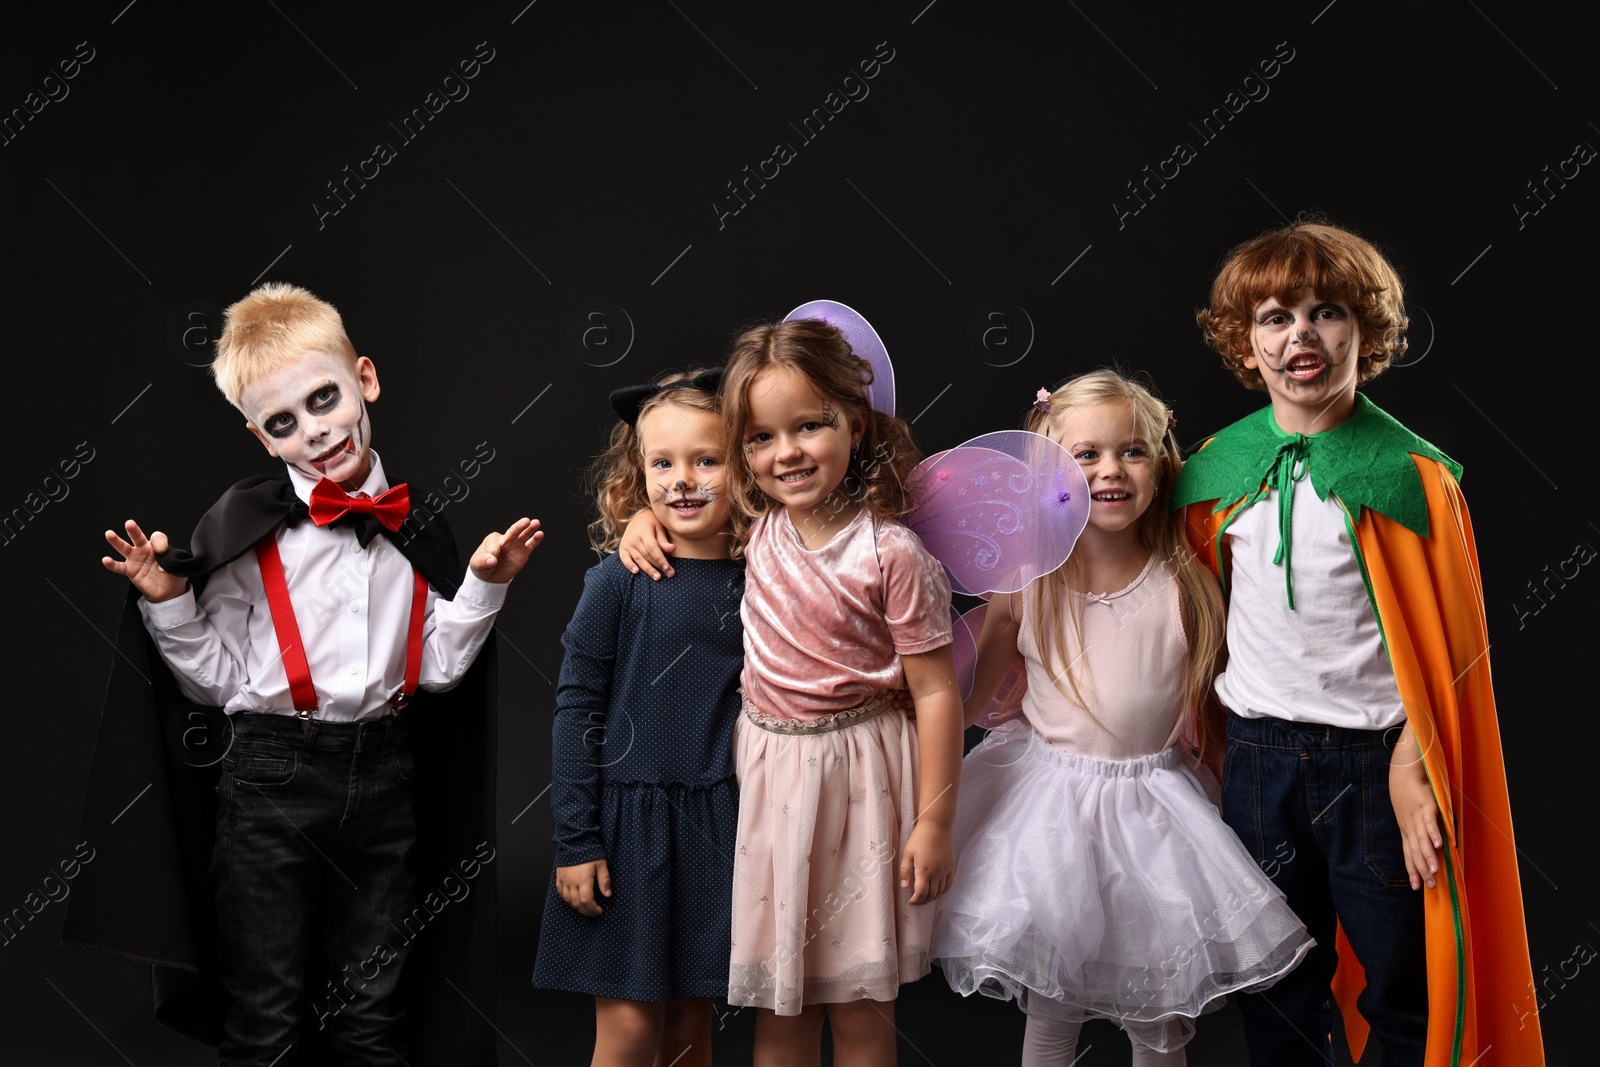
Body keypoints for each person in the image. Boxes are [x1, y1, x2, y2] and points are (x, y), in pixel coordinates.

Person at [68, 282, 541, 1065]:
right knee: (267, 1016)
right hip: (270, 783)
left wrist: (486, 581)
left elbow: (443, 667)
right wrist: (169, 603)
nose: (316, 433)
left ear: (365, 378)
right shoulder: (244, 529)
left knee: (372, 1011)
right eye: (284, 422)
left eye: (325, 400)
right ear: (261, 439)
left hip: (385, 780)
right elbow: (217, 681)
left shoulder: (415, 524)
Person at [1174, 220, 1544, 1066]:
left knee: (1401, 990)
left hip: (1374, 767)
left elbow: (1455, 650)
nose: (1299, 333)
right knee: (1276, 988)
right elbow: (1188, 617)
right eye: (1274, 316)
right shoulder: (1215, 470)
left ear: (1364, 332)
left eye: (1325, 311)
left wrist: (1415, 760)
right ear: (1244, 341)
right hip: (1259, 762)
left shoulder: (1410, 478)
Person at [930, 370, 1312, 1066]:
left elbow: (1215, 708)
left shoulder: (1186, 581)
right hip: (1048, 808)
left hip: (1157, 808)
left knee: (1158, 1014)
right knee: (1052, 1003)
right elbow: (959, 702)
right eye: (1087, 454)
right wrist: (918, 786)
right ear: (1050, 466)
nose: (1111, 469)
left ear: (1162, 461)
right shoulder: (1027, 577)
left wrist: (1245, 819)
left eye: (1132, 451)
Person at [621, 315, 963, 1067]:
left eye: (809, 426)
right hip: (771, 776)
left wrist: (934, 824)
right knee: (784, 1004)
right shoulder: (756, 524)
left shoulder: (890, 551)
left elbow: (936, 692)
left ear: (855, 421)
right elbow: (688, 498)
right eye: (761, 438)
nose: (787, 453)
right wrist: (641, 518)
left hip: (861, 775)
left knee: (861, 1004)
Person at [532, 369, 744, 1067]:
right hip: (627, 835)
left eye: (706, 460)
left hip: (720, 832)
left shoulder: (765, 574)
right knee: (626, 1033)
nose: (682, 480)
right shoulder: (617, 581)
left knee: (691, 1027)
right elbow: (576, 709)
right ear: (639, 470)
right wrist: (575, 839)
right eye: (663, 463)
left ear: (742, 464)